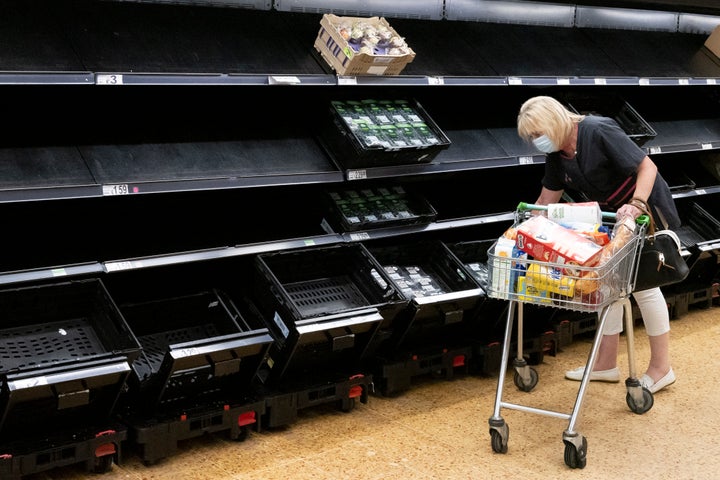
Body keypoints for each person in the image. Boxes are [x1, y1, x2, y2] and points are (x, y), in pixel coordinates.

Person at [516, 95, 680, 394]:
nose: (537, 141)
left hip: (643, 210)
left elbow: (648, 168)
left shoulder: (598, 130)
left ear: (554, 122)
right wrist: (520, 228)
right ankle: (606, 364)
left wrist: (637, 204)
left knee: (643, 288)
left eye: (539, 133)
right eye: (532, 137)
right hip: (612, 217)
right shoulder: (556, 152)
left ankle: (661, 368)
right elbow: (546, 199)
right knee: (607, 286)